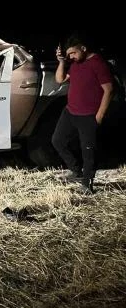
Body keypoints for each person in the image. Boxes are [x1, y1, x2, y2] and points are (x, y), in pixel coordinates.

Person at [51, 35, 114, 192]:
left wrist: (99, 116)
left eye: (73, 53)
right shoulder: (75, 63)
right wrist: (61, 62)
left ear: (83, 48)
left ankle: (87, 185)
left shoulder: (98, 64)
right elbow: (60, 79)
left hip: (88, 115)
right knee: (57, 140)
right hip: (70, 111)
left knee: (88, 151)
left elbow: (109, 90)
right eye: (69, 54)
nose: (71, 56)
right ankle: (76, 171)